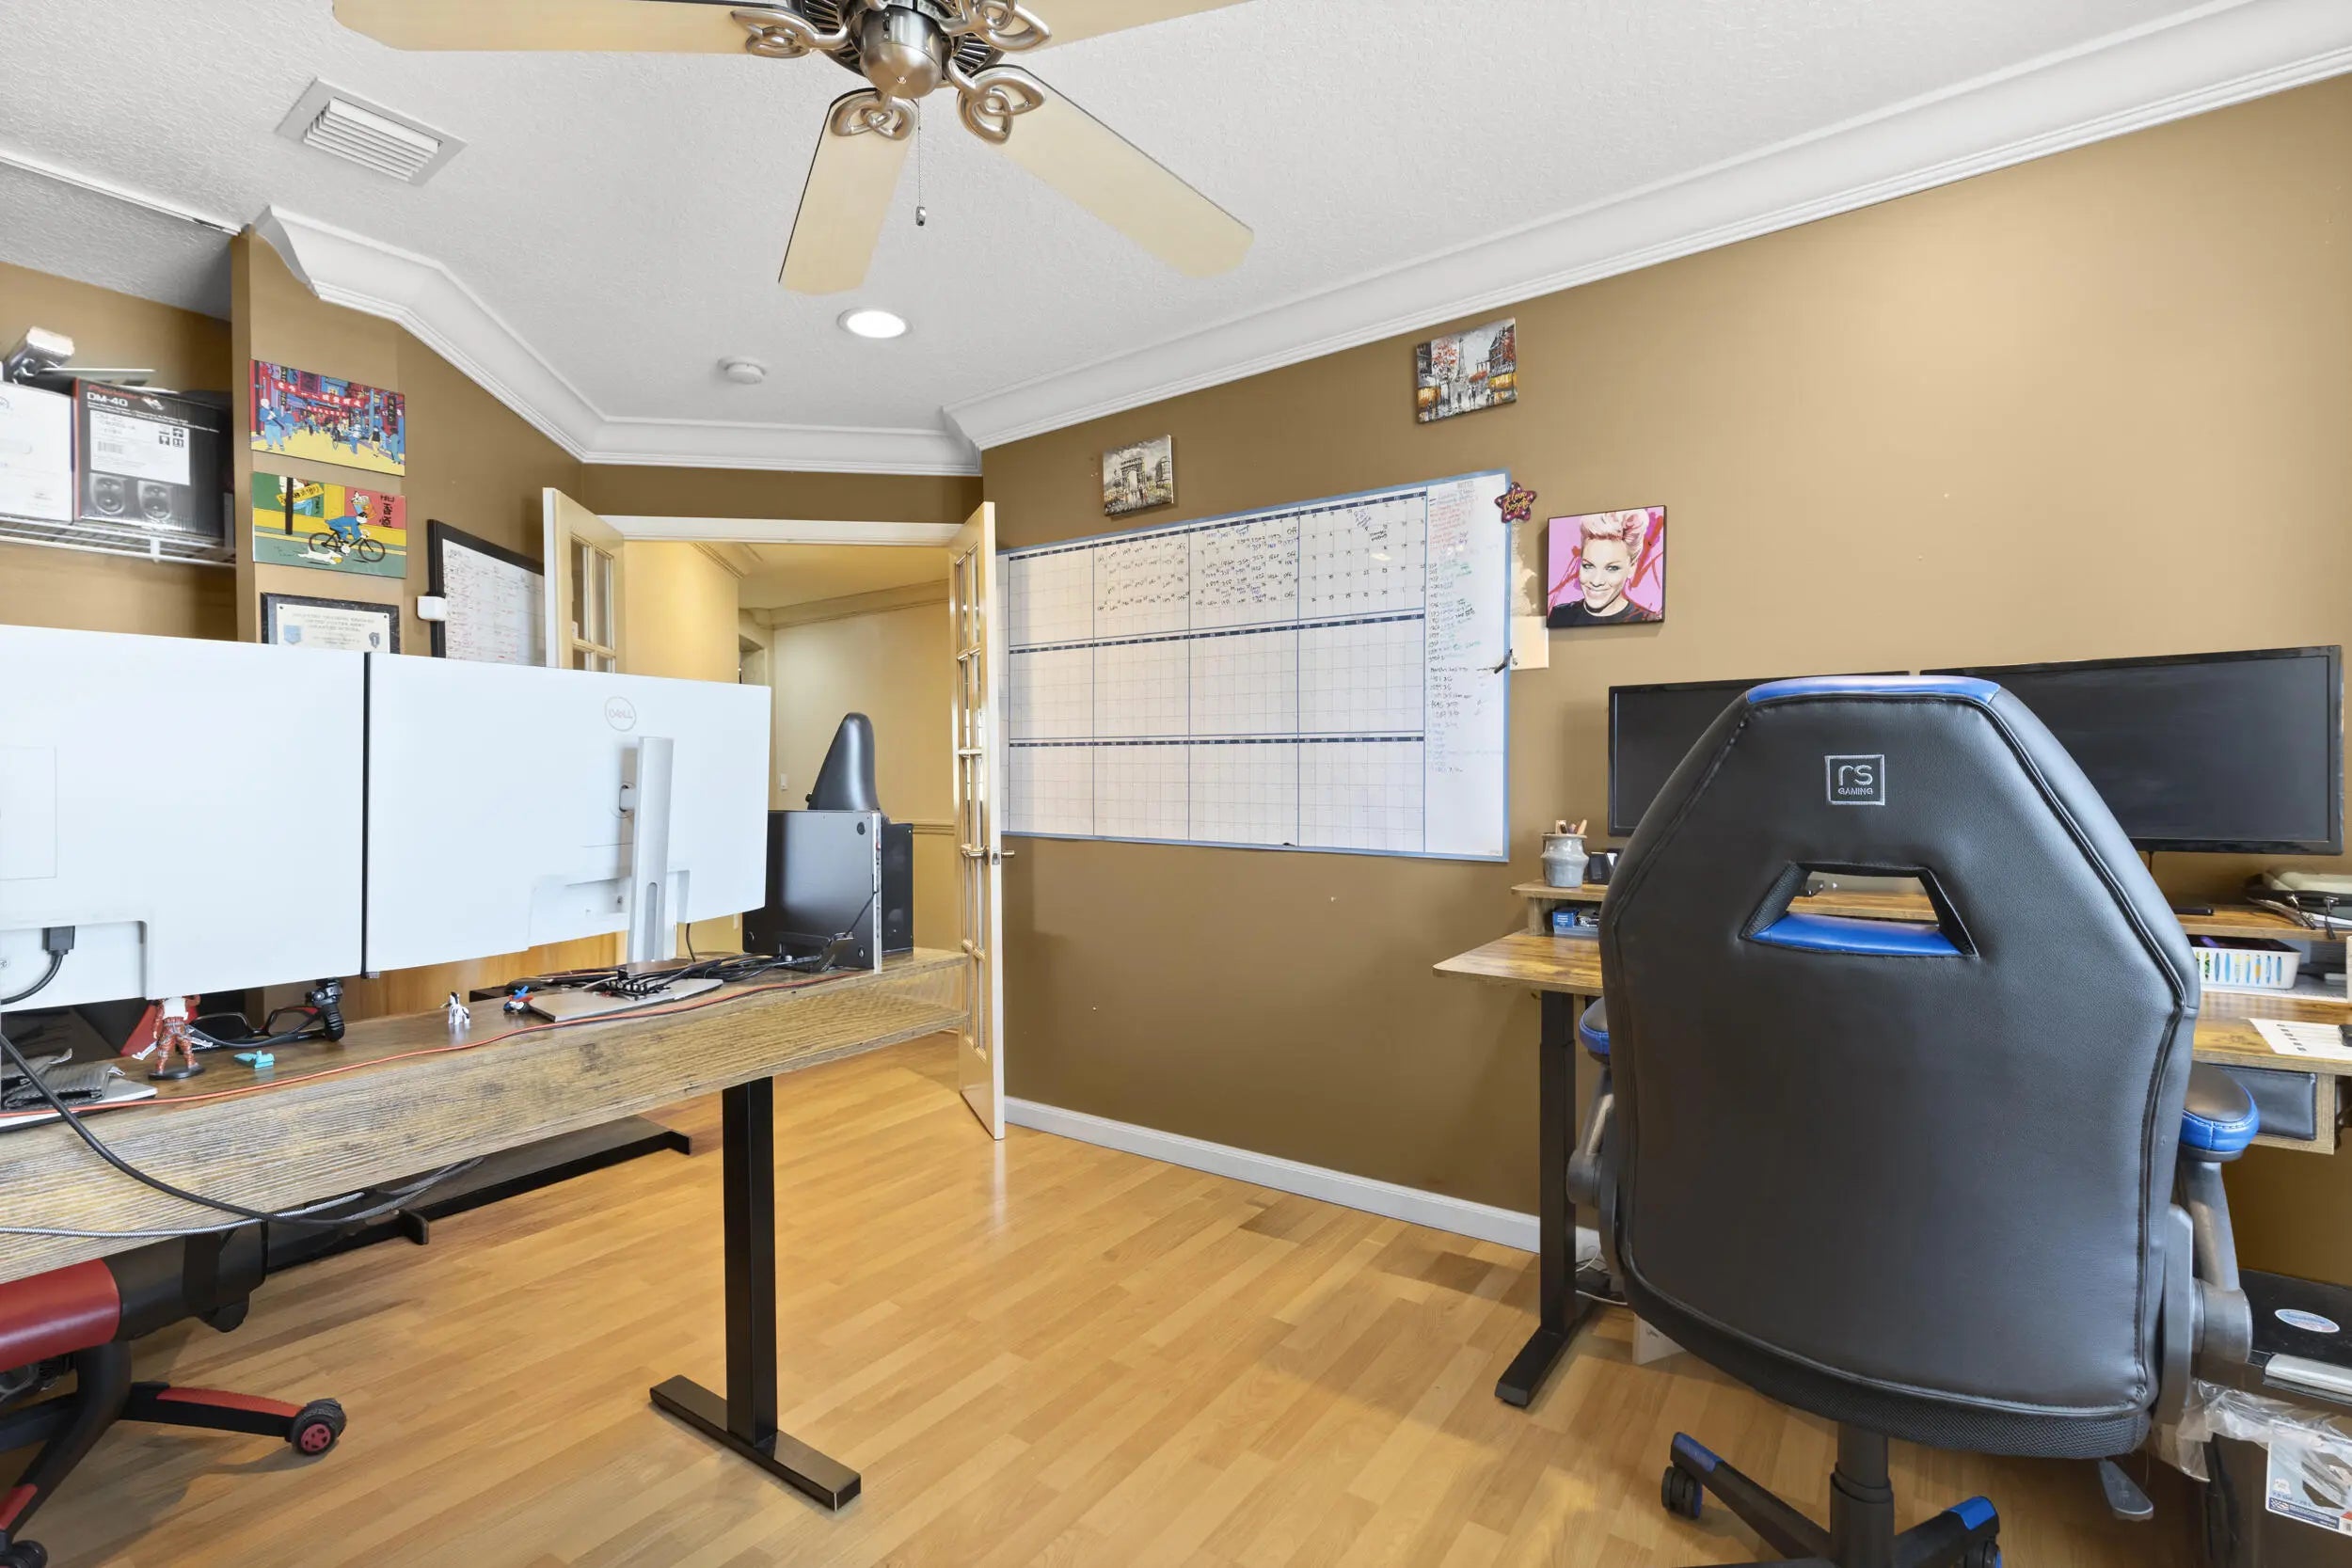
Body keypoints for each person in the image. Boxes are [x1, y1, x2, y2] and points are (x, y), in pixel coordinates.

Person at [1549, 510, 1662, 627]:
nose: (1596, 581)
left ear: (1632, 567)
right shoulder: (1559, 615)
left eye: (1612, 568)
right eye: (1588, 566)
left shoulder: (1648, 620)